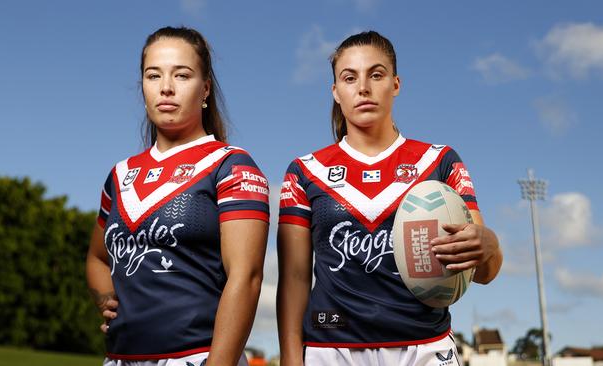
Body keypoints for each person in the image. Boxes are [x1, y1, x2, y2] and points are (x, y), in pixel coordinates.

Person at [276, 31, 502, 366]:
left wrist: (489, 243)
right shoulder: (305, 171)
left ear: (395, 84)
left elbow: (484, 272)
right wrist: (291, 360)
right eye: (349, 78)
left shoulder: (439, 161)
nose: (363, 88)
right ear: (336, 92)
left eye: (376, 74)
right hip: (332, 349)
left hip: (424, 346)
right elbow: (294, 279)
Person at [86, 26, 269, 366]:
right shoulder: (120, 175)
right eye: (153, 75)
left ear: (205, 89)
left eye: (181, 75)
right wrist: (106, 299)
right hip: (119, 358)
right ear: (142, 87)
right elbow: (97, 258)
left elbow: (247, 276)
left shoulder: (231, 165)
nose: (166, 87)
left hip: (196, 357)